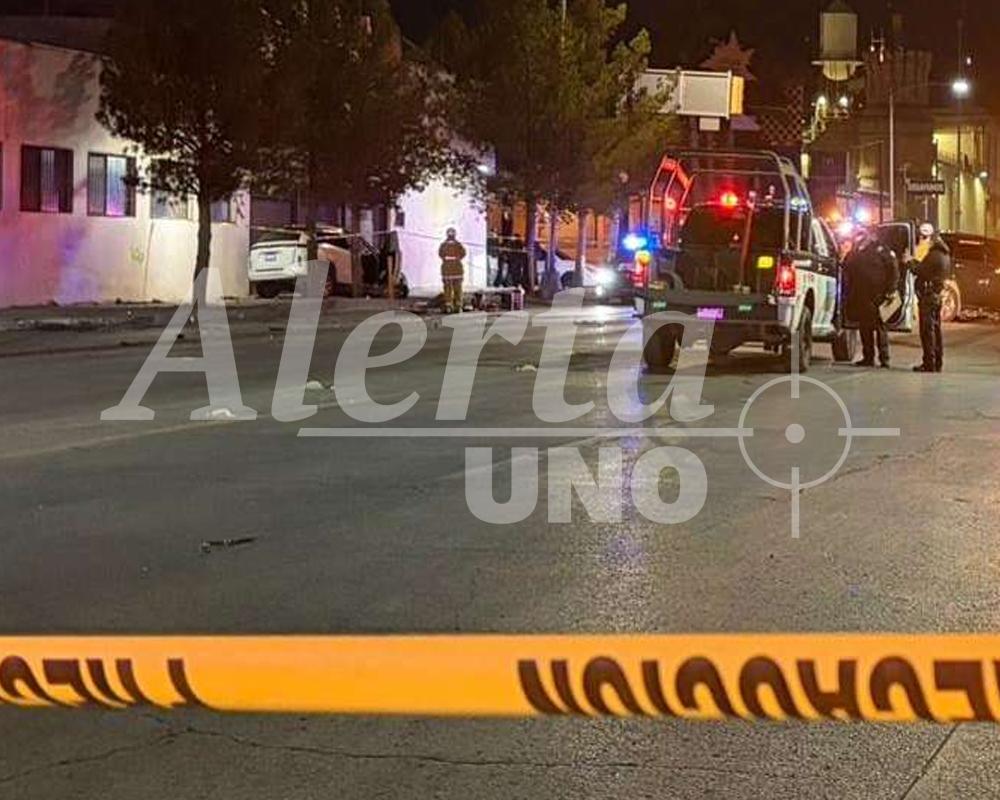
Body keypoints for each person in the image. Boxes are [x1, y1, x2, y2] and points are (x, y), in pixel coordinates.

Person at [844, 228, 899, 369]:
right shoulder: (856, 251)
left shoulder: (882, 250)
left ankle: (884, 358)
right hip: (862, 295)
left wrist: (891, 290)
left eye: (863, 235)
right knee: (865, 327)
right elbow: (847, 266)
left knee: (880, 327)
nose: (860, 238)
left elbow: (893, 270)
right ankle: (868, 357)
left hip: (879, 295)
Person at [912, 223, 951, 373]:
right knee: (936, 330)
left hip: (928, 296)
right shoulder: (944, 254)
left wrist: (909, 262)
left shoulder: (934, 255)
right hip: (936, 295)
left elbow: (920, 270)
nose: (923, 240)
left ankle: (929, 363)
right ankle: (937, 362)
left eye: (924, 237)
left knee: (927, 331)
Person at [439, 228, 466, 314]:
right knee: (456, 288)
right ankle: (456, 305)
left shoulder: (444, 245)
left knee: (449, 288)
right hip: (456, 269)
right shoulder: (458, 245)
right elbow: (463, 253)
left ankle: (451, 305)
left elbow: (441, 254)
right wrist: (457, 258)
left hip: (448, 269)